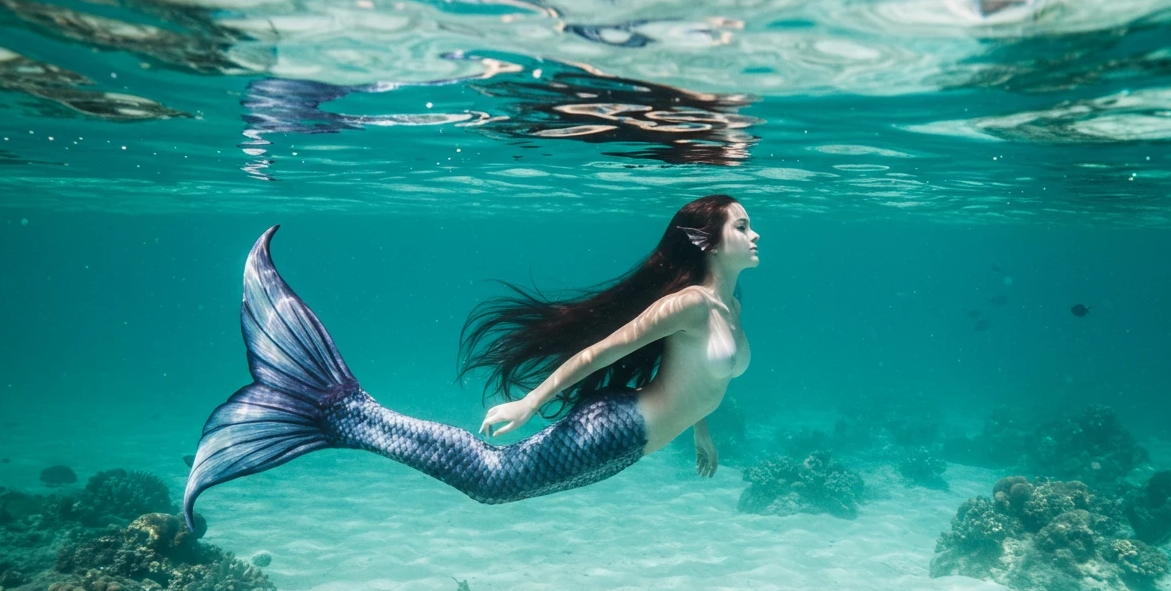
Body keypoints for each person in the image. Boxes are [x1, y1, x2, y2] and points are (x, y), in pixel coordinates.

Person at [181, 194, 758, 532]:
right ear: (705, 241)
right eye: (742, 226)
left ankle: (343, 415)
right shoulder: (688, 305)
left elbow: (692, 373)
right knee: (492, 479)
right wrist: (529, 403)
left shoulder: (728, 305)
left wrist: (699, 429)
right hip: (619, 428)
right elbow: (599, 351)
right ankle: (346, 414)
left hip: (641, 439)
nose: (755, 235)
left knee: (497, 484)